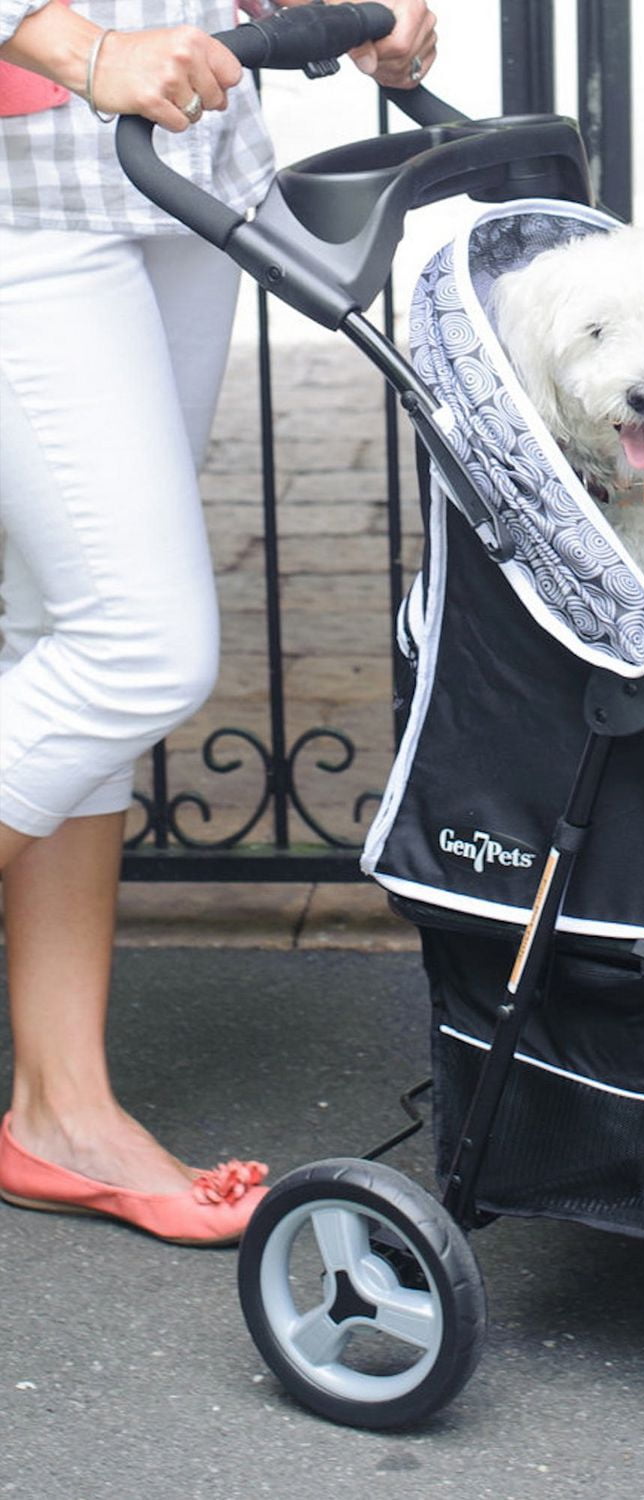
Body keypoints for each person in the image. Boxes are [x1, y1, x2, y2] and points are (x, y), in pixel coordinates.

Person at [0, 0, 437, 1245]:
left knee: (67, 633)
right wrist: (82, 50)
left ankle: (60, 1110)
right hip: (25, 180)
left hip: (174, 159)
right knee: (135, 649)